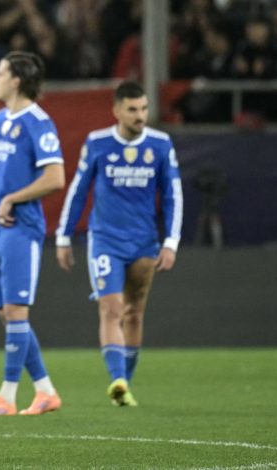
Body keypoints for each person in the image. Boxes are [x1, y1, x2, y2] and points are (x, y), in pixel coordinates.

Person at [55, 81, 183, 407]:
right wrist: (63, 236)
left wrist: (171, 241)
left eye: (143, 109)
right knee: (110, 309)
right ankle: (118, 379)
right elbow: (78, 191)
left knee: (134, 313)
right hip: (105, 240)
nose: (140, 115)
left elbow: (172, 196)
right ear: (116, 111)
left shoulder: (161, 144)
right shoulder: (98, 143)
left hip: (144, 242)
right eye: (132, 109)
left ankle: (125, 385)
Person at [0, 51, 65, 416]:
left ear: (17, 80)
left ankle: (7, 398)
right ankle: (45, 392)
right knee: (7, 315)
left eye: (0, 73)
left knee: (15, 311)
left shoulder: (37, 122)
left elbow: (55, 177)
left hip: (21, 228)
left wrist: (12, 197)